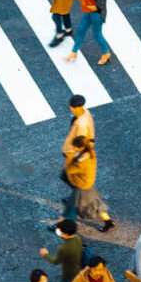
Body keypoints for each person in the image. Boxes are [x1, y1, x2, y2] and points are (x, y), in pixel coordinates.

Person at [59, 96, 114, 232]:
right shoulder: (88, 154)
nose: (70, 108)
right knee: (94, 200)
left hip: (81, 183)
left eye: (72, 106)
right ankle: (108, 221)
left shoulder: (82, 158)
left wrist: (69, 156)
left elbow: (71, 171)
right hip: (84, 182)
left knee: (71, 208)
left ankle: (62, 226)